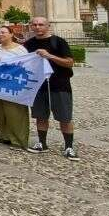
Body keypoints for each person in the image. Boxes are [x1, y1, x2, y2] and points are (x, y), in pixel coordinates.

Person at [24, 16, 78, 161]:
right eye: (34, 25)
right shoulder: (29, 44)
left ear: (48, 26)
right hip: (38, 85)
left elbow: (69, 62)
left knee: (65, 117)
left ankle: (69, 146)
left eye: (41, 24)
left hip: (59, 85)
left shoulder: (59, 42)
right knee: (41, 116)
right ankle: (42, 143)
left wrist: (49, 56)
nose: (37, 27)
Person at [0, 26, 30, 149]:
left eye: (4, 32)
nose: (0, 34)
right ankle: (5, 136)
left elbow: (26, 66)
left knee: (15, 112)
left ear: (11, 34)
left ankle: (18, 140)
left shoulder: (20, 49)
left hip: (13, 85)